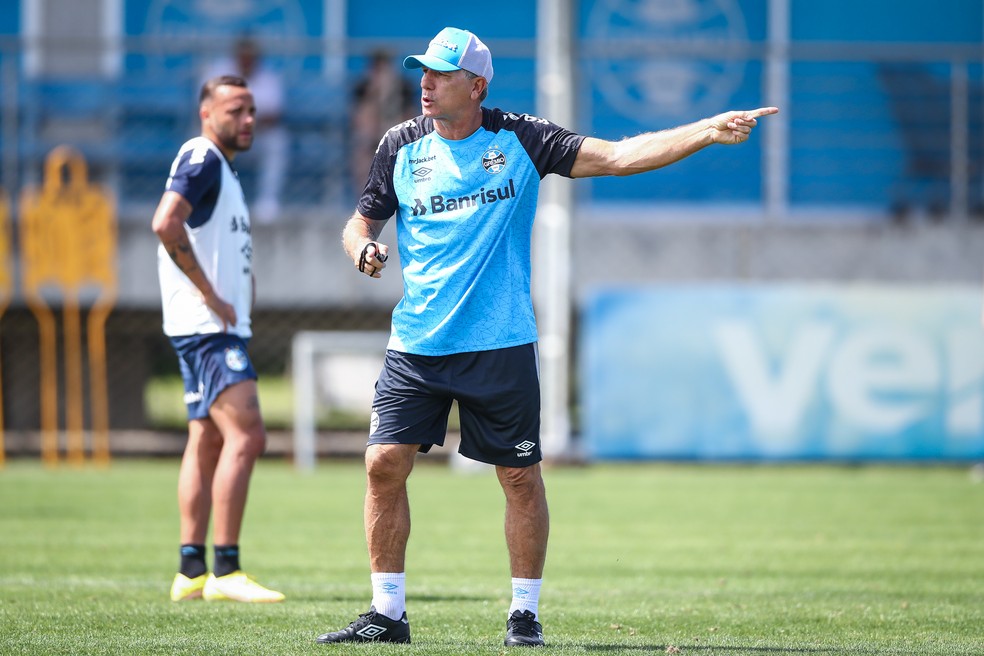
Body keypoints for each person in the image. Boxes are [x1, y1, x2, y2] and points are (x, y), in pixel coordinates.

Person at [315, 27, 777, 647]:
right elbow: (360, 220)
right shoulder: (398, 144)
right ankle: (387, 613)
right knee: (382, 464)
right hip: (417, 345)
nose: (424, 82)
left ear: (477, 86)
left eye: (441, 74)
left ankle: (523, 614)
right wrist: (363, 248)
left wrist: (705, 130)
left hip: (500, 344)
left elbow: (617, 157)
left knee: (519, 478)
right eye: (423, 71)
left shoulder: (522, 139)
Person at [153, 75, 284, 604]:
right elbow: (166, 223)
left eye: (252, 110)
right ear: (207, 113)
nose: (248, 119)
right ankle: (227, 571)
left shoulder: (220, 167)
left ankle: (191, 571)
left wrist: (235, 284)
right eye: (235, 110)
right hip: (209, 330)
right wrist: (211, 294)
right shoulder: (203, 156)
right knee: (248, 436)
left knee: (207, 439)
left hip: (205, 326)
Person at [204, 36, 288, 223]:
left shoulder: (268, 78)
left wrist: (242, 120)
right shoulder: (219, 73)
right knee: (206, 144)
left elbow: (274, 115)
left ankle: (268, 203)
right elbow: (208, 110)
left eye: (251, 56)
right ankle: (213, 201)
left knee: (277, 142)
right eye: (243, 56)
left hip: (258, 137)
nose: (247, 60)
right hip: (227, 136)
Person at [349, 48, 417, 199]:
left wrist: (389, 95)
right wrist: (374, 93)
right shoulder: (363, 87)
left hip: (396, 138)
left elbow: (411, 118)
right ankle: (366, 199)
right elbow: (358, 119)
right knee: (363, 157)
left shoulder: (403, 87)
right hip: (370, 139)